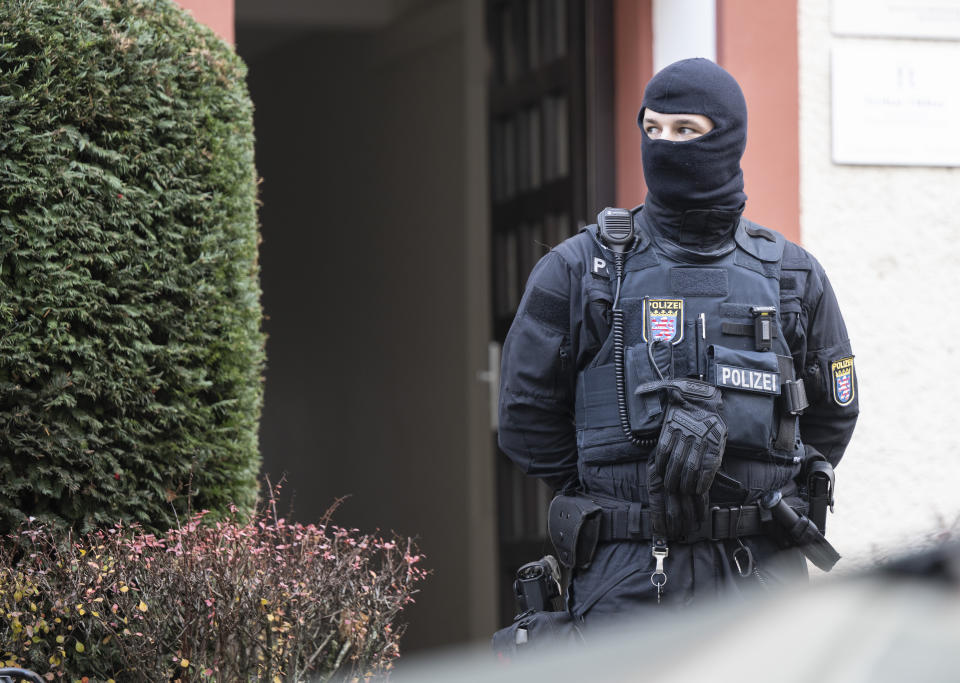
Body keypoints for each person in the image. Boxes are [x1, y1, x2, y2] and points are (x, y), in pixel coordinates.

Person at [497, 58, 859, 625]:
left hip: (762, 576)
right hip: (627, 576)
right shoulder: (576, 270)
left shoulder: (792, 274)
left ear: (728, 137)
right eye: (652, 128)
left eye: (685, 129)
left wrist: (759, 481)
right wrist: (623, 494)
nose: (664, 144)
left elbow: (834, 415)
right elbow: (525, 421)